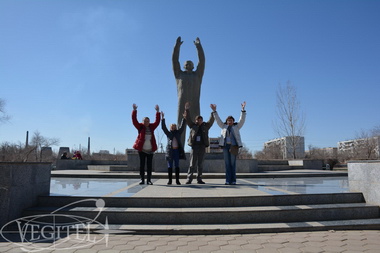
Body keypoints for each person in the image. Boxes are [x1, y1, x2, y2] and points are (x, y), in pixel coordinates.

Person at [172, 36, 205, 146]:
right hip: (182, 102)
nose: (188, 64)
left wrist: (198, 46)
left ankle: (195, 146)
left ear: (193, 66)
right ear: (183, 66)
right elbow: (174, 60)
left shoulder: (198, 74)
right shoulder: (179, 74)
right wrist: (177, 47)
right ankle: (180, 149)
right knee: (181, 124)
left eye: (190, 63)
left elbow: (202, 60)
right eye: (186, 63)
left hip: (194, 102)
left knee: (196, 125)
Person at [211, 102, 247, 185]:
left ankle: (233, 180)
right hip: (225, 146)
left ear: (233, 121)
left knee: (232, 164)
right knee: (227, 164)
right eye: (228, 120)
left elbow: (242, 120)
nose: (229, 122)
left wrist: (243, 110)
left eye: (231, 120)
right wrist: (214, 111)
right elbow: (218, 120)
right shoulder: (223, 126)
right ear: (226, 121)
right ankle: (227, 180)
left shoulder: (236, 127)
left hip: (233, 146)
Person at [183, 102, 214, 184]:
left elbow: (211, 121)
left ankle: (199, 178)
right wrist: (187, 110)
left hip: (202, 147)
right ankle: (189, 178)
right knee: (192, 163)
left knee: (200, 164)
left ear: (202, 120)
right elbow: (188, 119)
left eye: (200, 120)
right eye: (198, 120)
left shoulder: (205, 126)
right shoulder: (192, 126)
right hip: (194, 146)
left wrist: (213, 112)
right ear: (196, 120)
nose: (199, 121)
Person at [132, 103, 161, 185]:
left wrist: (157, 112)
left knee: (149, 166)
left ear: (149, 121)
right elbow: (134, 121)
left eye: (147, 121)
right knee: (142, 165)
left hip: (150, 150)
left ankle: (149, 180)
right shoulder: (140, 127)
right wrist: (134, 111)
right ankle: (142, 179)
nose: (146, 122)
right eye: (145, 121)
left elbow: (157, 122)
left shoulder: (152, 127)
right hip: (142, 150)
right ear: (143, 122)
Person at [161, 111, 186, 185]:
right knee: (170, 166)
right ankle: (170, 180)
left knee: (177, 166)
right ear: (170, 128)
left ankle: (177, 180)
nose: (173, 128)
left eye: (174, 127)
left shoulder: (178, 132)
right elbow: (163, 128)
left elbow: (182, 126)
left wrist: (184, 118)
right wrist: (162, 119)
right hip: (170, 151)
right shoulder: (168, 133)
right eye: (172, 127)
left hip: (176, 151)